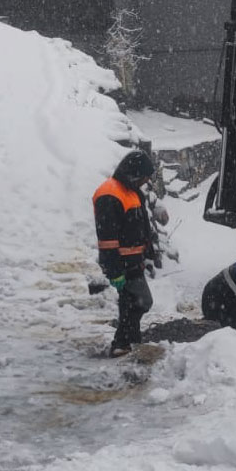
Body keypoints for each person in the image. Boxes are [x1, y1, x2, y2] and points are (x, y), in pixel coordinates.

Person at [93, 149, 157, 357]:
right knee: (141, 301)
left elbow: (141, 225)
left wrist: (147, 252)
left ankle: (129, 340)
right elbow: (108, 240)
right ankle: (122, 341)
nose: (146, 181)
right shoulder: (110, 194)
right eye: (145, 177)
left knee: (130, 302)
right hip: (121, 261)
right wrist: (114, 270)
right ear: (135, 173)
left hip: (133, 259)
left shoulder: (130, 190)